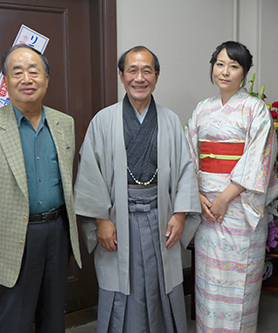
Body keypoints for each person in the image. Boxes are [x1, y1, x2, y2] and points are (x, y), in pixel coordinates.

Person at [74, 45, 201, 333]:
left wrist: (180, 215)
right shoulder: (103, 120)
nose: (139, 78)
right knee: (120, 283)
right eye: (132, 70)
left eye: (147, 71)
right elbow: (89, 173)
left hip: (161, 215)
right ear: (121, 76)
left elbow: (184, 169)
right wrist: (101, 221)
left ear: (156, 76)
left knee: (161, 282)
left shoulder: (169, 120)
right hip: (117, 217)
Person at [0, 44, 82, 332]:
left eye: (34, 71)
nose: (27, 78)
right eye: (18, 72)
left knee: (53, 314)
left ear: (46, 79)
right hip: (11, 235)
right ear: (5, 81)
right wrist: (0, 217)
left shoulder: (64, 123)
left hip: (57, 231)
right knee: (12, 319)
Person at [185, 41, 278, 333]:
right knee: (208, 280)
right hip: (206, 209)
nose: (225, 72)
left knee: (239, 282)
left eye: (234, 66)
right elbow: (189, 154)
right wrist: (198, 195)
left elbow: (259, 158)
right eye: (220, 64)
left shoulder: (255, 109)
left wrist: (225, 198)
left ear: (245, 72)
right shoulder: (202, 109)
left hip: (239, 207)